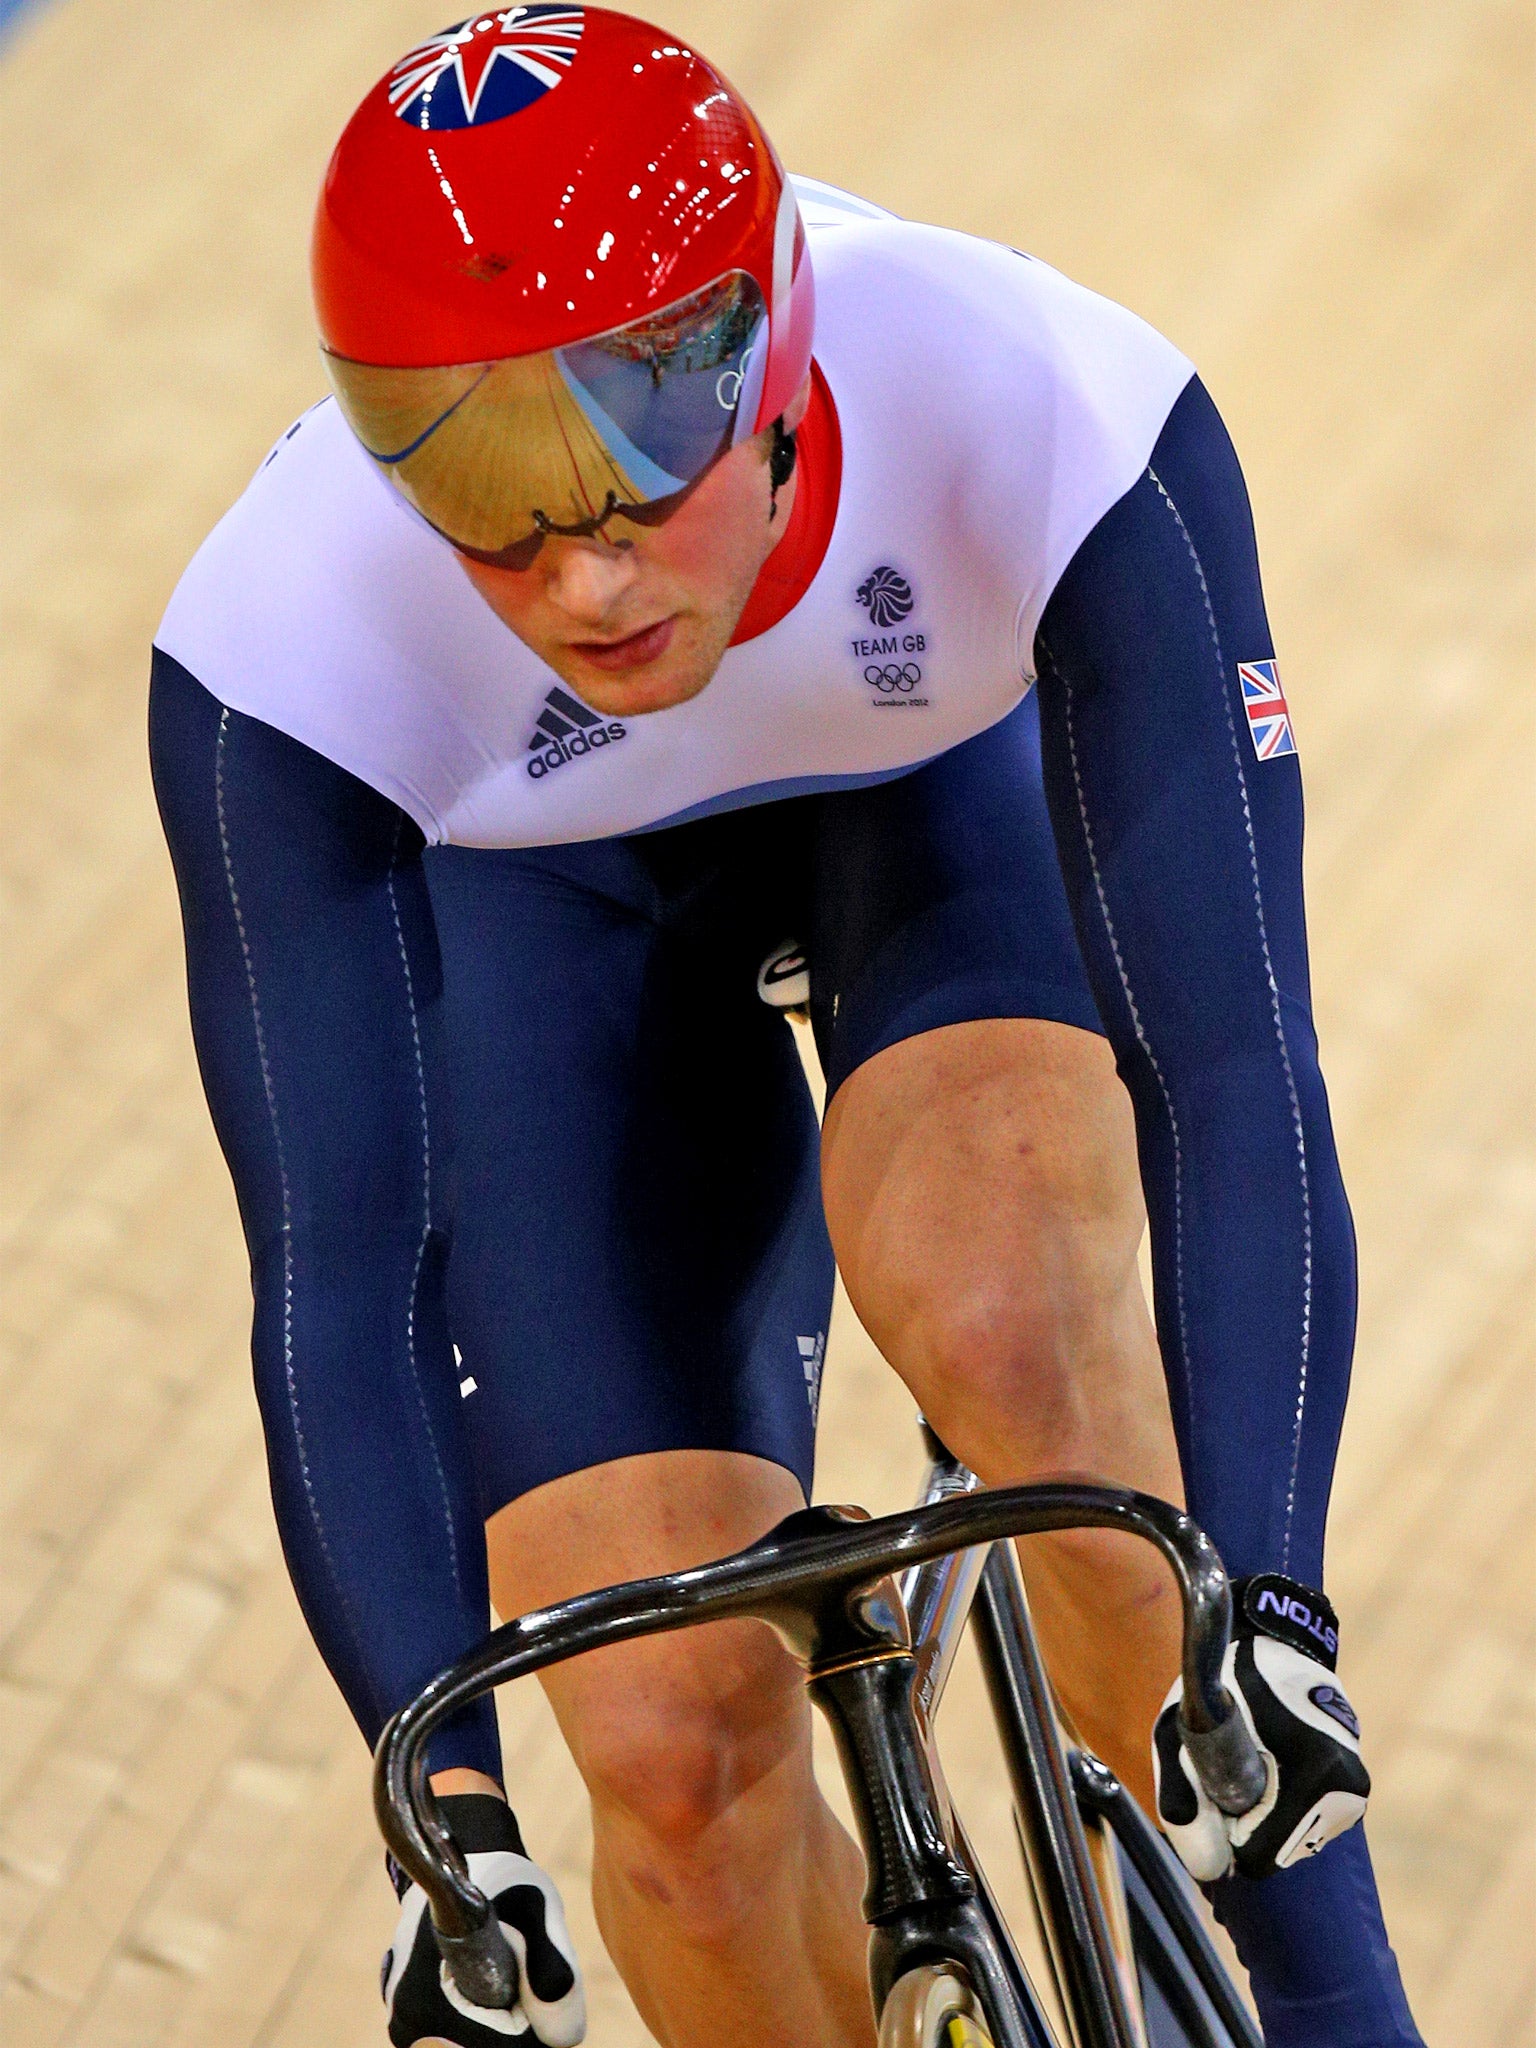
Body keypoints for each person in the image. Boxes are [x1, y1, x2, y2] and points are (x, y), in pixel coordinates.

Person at [149, 9, 1422, 2045]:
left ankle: (1329, 1996)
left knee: (1022, 1341)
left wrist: (1268, 1595)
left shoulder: (1036, 400)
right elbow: (336, 1281)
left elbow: (1234, 1064)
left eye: (632, 448)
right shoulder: (278, 650)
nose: (578, 572)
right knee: (665, 1752)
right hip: (538, 900)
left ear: (772, 358)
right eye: (474, 472)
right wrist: (442, 1810)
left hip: (933, 794)